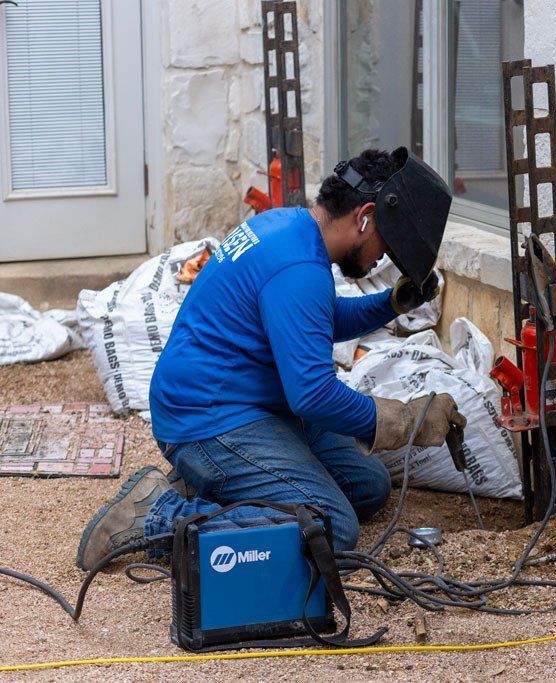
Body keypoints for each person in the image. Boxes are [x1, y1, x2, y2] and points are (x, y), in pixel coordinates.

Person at [76, 148, 466, 571]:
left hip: (251, 407)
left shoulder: (287, 227)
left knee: (367, 486)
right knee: (332, 525)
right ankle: (158, 515)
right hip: (207, 421)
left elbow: (317, 319)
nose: (381, 259)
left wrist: (390, 303)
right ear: (365, 217)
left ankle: (207, 484)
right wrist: (405, 420)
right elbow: (312, 396)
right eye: (386, 246)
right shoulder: (298, 266)